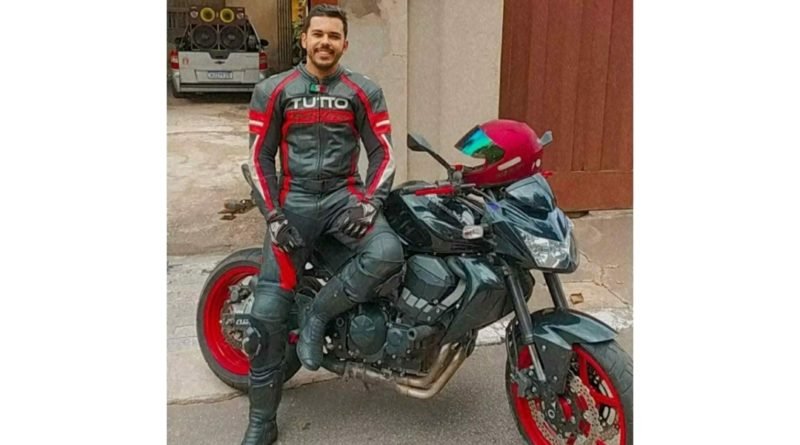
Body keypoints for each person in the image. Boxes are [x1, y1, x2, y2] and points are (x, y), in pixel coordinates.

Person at [240, 4, 404, 445]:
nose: (325, 42)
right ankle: (261, 422)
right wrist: (274, 216)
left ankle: (317, 315)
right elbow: (258, 158)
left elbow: (383, 153)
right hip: (292, 205)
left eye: (333, 36)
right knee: (266, 315)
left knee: (388, 253)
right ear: (305, 39)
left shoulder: (363, 90)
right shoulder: (274, 89)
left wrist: (370, 204)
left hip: (343, 200)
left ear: (344, 44)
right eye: (318, 34)